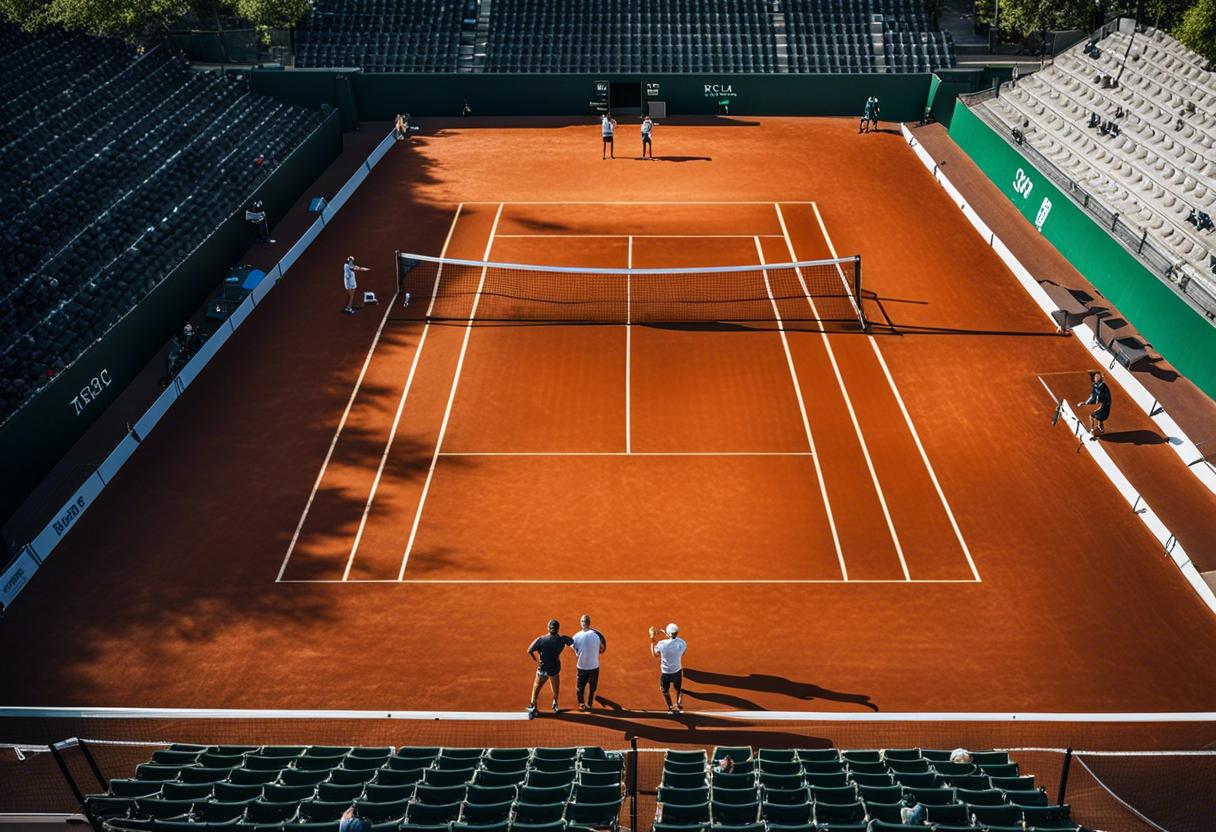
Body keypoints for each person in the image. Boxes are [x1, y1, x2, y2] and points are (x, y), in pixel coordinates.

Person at [527, 618, 573, 718]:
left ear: (548, 628)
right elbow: (571, 641)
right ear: (558, 629)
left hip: (542, 670)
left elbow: (529, 650)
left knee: (536, 688)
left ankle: (533, 707)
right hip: (554, 670)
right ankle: (555, 704)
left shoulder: (541, 640)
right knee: (555, 689)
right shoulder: (561, 640)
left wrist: (536, 660)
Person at [571, 614, 607, 711]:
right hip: (594, 667)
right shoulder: (596, 636)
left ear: (581, 623)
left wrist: (578, 652)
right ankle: (590, 704)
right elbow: (602, 648)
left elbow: (573, 648)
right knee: (592, 687)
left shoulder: (576, 636)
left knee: (580, 687)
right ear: (589, 623)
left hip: (581, 666)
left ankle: (581, 704)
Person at [649, 623, 687, 714]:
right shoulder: (682, 643)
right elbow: (682, 653)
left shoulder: (661, 644)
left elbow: (655, 654)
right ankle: (679, 703)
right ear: (677, 633)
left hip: (666, 673)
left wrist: (652, 640)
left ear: (668, 633)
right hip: (677, 671)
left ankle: (670, 707)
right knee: (678, 688)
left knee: (664, 690)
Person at [1076, 370, 1112, 438]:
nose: (1095, 378)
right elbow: (1093, 396)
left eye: (1097, 376)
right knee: (1099, 417)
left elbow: (1096, 396)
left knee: (1092, 416)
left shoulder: (1101, 386)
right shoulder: (1097, 385)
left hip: (1105, 405)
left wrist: (1086, 403)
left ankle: (1092, 431)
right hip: (1104, 404)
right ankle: (1100, 428)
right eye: (1095, 376)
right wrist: (1085, 402)